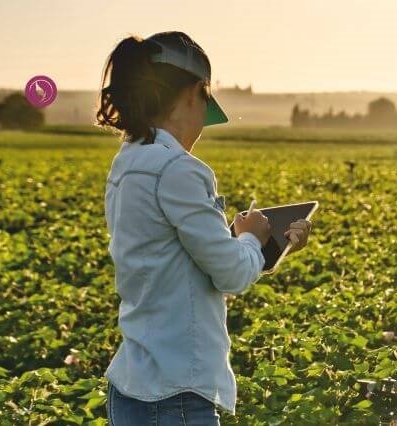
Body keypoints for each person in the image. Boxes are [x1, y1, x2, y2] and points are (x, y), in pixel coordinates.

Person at [95, 31, 313, 425]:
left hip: (132, 387)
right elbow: (230, 274)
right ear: (196, 93)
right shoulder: (180, 169)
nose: (200, 128)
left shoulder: (128, 161)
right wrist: (251, 235)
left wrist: (254, 246)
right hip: (174, 393)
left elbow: (173, 259)